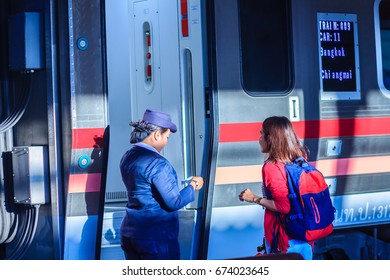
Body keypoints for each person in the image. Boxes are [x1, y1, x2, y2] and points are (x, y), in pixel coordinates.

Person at [119, 108, 204, 260]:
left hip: (130, 233)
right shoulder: (157, 163)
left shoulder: (128, 156)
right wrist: (193, 185)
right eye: (167, 137)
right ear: (157, 135)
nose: (166, 142)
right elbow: (174, 202)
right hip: (156, 237)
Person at [238, 115, 313, 260]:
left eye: (261, 134)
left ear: (270, 138)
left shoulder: (272, 167)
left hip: (285, 240)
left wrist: (253, 198)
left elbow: (284, 206)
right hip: (304, 236)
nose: (259, 138)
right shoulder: (299, 159)